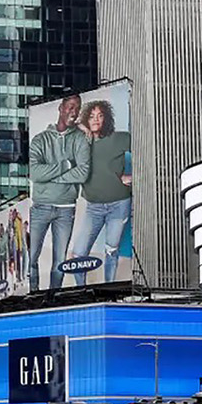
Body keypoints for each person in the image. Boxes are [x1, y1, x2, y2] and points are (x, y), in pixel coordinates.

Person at [28, 93, 91, 291]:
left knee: (60, 261)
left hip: (66, 209)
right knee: (31, 257)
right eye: (70, 107)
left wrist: (52, 178)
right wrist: (65, 164)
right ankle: (33, 295)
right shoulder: (40, 140)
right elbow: (35, 173)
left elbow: (83, 172)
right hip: (40, 207)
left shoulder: (80, 139)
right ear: (61, 108)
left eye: (77, 108)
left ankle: (54, 298)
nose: (74, 112)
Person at [70, 99, 132, 286]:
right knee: (78, 255)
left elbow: (149, 152)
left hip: (119, 204)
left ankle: (109, 288)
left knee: (111, 250)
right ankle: (81, 291)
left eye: (100, 115)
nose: (96, 120)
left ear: (106, 118)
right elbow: (67, 122)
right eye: (91, 116)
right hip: (93, 207)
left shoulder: (119, 138)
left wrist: (134, 177)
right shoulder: (81, 143)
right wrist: (82, 128)